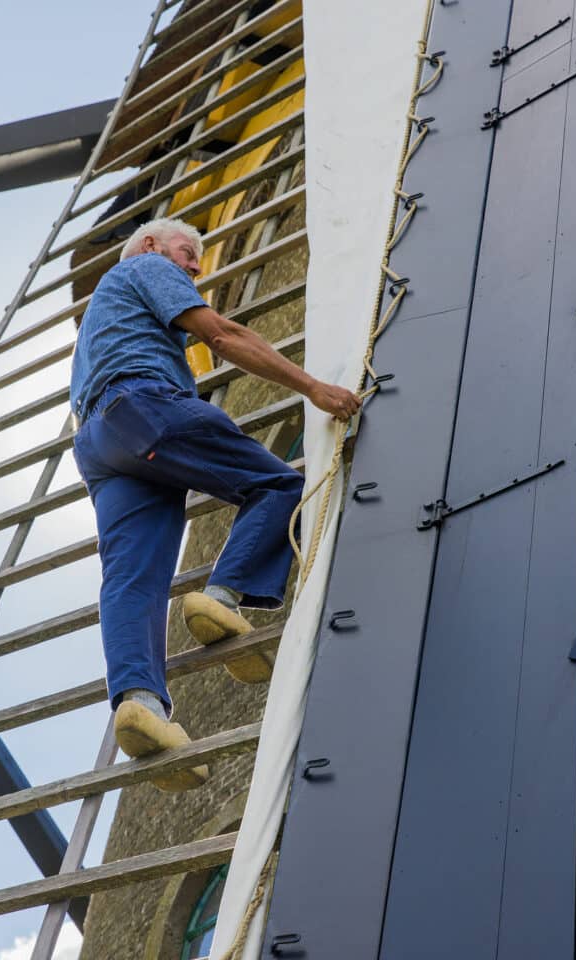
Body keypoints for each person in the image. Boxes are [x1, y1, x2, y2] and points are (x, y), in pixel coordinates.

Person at [70, 217, 360, 791]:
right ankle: (222, 597)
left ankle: (139, 704)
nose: (196, 266)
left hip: (100, 443)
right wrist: (313, 388)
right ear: (151, 246)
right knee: (277, 485)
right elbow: (222, 335)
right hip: (144, 404)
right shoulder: (146, 267)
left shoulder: (95, 328)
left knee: (134, 579)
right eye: (189, 252)